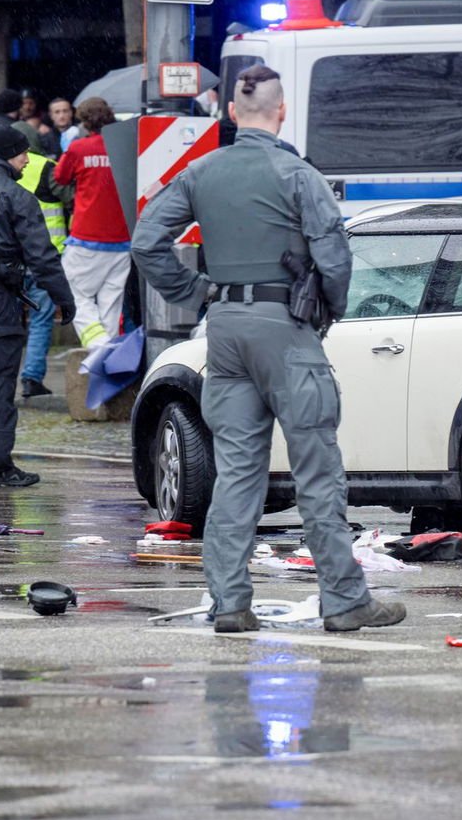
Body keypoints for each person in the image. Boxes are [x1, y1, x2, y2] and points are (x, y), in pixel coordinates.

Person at [133, 64, 405, 634]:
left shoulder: (200, 171)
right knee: (317, 471)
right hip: (285, 329)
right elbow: (334, 257)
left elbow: (146, 241)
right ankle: (345, 601)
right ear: (282, 111)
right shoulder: (296, 174)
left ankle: (230, 604)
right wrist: (327, 310)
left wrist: (197, 294)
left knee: (235, 474)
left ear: (231, 112)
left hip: (224, 329)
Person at [0, 127, 75, 487]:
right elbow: (42, 256)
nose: (27, 159)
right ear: (8, 154)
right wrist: (63, 298)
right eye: (22, 153)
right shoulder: (16, 196)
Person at [53, 98, 131, 358]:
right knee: (111, 302)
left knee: (72, 292)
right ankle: (109, 356)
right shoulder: (125, 147)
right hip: (122, 238)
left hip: (87, 236)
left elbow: (60, 177)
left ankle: (97, 345)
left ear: (84, 121)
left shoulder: (79, 148)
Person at [16, 146, 68, 398]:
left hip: (9, 259)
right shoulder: (48, 167)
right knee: (41, 319)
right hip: (44, 257)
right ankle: (31, 379)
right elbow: (70, 199)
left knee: (4, 322)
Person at [0, 89, 42, 155]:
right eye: (24, 103)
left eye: (31, 103)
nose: (27, 107)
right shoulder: (10, 123)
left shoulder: (43, 119)